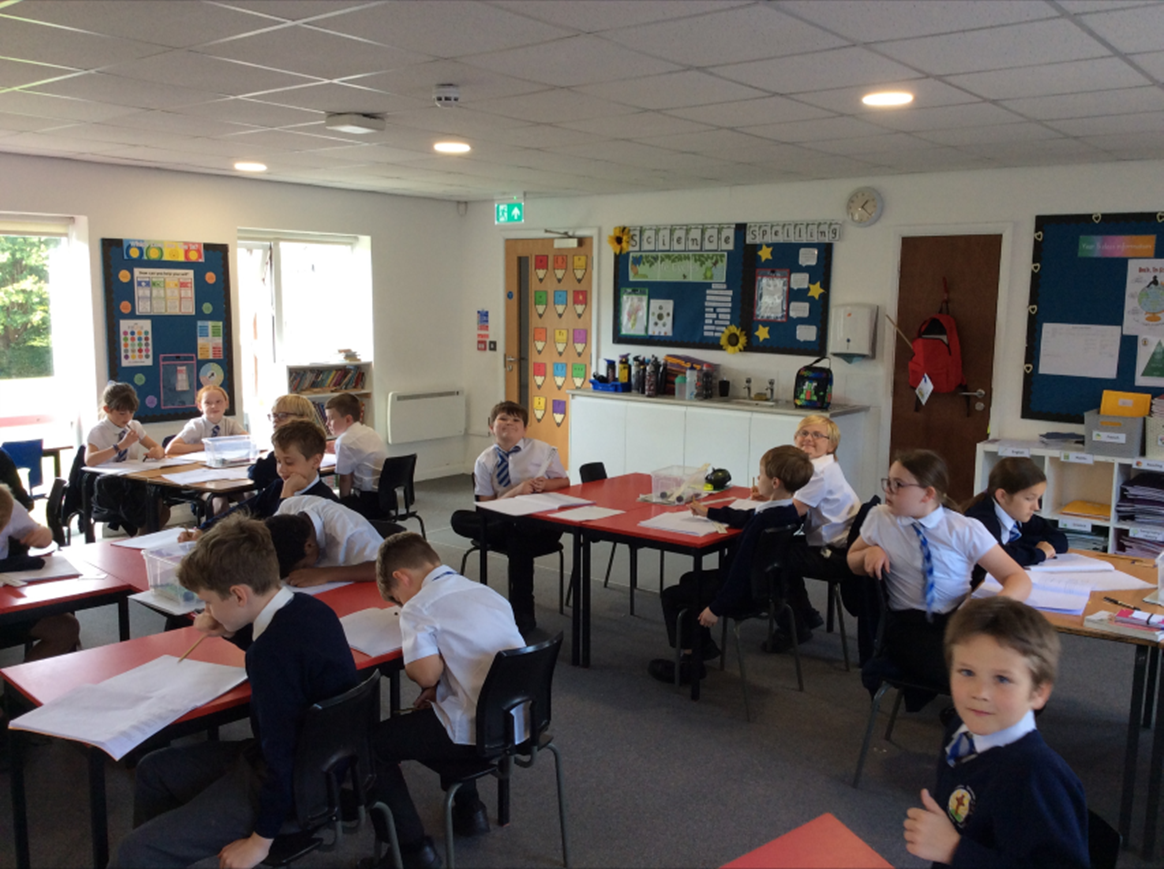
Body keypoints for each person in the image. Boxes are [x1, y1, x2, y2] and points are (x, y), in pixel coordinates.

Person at [111, 514, 358, 869]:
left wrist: (260, 841)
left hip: (292, 786)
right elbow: (277, 643)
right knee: (154, 769)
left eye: (209, 602)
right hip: (318, 764)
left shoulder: (269, 656)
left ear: (239, 594)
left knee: (133, 852)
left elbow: (281, 755)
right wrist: (228, 627)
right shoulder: (308, 609)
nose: (206, 610)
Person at [367, 531, 526, 869]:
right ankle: (471, 811)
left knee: (371, 745)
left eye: (396, 599)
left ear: (401, 578)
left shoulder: (420, 607)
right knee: (442, 701)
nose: (400, 607)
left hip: (474, 731)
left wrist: (433, 678)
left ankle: (411, 850)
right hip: (517, 721)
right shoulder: (486, 592)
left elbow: (424, 675)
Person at [902, 596, 1088, 868]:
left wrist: (955, 850)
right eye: (966, 672)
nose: (980, 693)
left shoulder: (1039, 776)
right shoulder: (961, 731)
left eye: (1002, 679)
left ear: (1038, 692)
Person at [848, 449, 1031, 690]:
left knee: (1020, 675)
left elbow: (1018, 578)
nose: (888, 490)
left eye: (898, 484)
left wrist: (991, 610)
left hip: (958, 623)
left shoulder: (962, 528)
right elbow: (852, 560)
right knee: (984, 680)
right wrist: (869, 553)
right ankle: (968, 718)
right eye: (888, 482)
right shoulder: (881, 518)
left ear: (928, 494)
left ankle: (972, 717)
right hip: (908, 628)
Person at [649, 446, 813, 685]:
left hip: (742, 592)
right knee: (689, 580)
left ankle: (690, 664)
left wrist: (717, 607)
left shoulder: (761, 522)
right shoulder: (787, 512)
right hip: (767, 588)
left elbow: (740, 569)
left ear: (775, 482)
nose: (758, 479)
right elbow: (747, 518)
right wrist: (710, 513)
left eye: (761, 474)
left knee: (672, 596)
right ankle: (701, 646)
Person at [472, 400, 569, 634]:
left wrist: (545, 484)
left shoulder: (542, 450)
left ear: (525, 429)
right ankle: (523, 612)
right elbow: (485, 507)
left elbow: (565, 482)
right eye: (503, 419)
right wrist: (515, 492)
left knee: (519, 538)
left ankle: (522, 612)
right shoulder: (484, 461)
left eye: (516, 420)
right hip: (505, 519)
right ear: (491, 426)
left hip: (541, 521)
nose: (509, 424)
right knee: (515, 536)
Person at [780, 414, 863, 651]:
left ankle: (794, 626)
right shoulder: (826, 464)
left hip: (836, 554)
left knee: (774, 555)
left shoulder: (817, 471)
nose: (808, 439)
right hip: (840, 544)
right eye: (803, 433)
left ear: (831, 444)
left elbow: (792, 512)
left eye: (817, 435)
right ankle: (806, 612)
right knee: (785, 549)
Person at [180, 419, 336, 541]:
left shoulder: (324, 500)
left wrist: (287, 493)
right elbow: (243, 510)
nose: (281, 469)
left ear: (316, 461)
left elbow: (280, 535)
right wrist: (203, 530)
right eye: (278, 461)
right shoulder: (278, 486)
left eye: (289, 462)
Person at [0, 483, 79, 661]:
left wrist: (43, 534)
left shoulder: (5, 502)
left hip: (6, 602)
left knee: (66, 628)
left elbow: (38, 532)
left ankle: (18, 687)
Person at [85, 381, 167, 536]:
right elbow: (90, 460)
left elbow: (157, 448)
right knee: (149, 506)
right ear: (107, 409)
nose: (127, 417)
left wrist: (157, 452)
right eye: (122, 413)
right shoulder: (98, 431)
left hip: (132, 480)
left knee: (158, 503)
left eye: (131, 412)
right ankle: (140, 538)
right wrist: (120, 446)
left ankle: (141, 539)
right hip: (108, 485)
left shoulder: (134, 426)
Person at [964, 458, 1067, 568]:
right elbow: (1000, 558)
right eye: (1029, 498)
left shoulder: (1016, 514)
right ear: (1002, 496)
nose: (1036, 507)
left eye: (1038, 499)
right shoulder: (981, 519)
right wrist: (1039, 553)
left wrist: (1023, 549)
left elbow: (1061, 540)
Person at [264, 495, 383, 586]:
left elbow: (384, 566)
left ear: (309, 546)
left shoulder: (350, 532)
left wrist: (326, 574)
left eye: (303, 566)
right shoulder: (287, 508)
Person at [324, 392, 387, 519]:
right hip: (384, 495)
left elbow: (345, 479)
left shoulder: (345, 441)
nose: (327, 423)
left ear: (348, 419)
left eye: (331, 418)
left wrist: (344, 504)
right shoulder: (370, 432)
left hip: (366, 500)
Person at [249, 394, 318, 491]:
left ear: (303, 419)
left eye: (282, 416)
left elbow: (258, 472)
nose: (275, 420)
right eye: (274, 415)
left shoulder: (297, 447)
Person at [165, 384, 247, 455]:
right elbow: (171, 449)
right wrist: (206, 446)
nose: (214, 406)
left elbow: (249, 441)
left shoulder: (231, 424)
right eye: (208, 403)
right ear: (200, 406)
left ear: (226, 404)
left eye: (218, 401)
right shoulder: (196, 425)